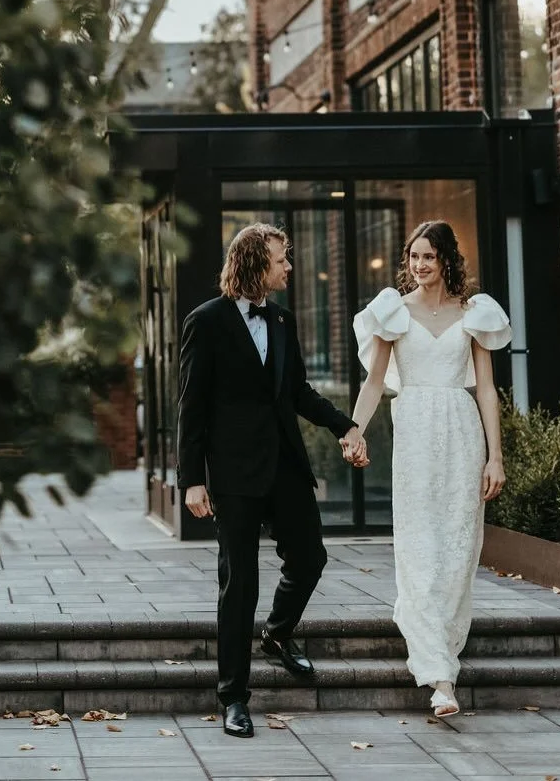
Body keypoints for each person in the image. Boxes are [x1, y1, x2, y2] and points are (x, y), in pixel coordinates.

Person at [177, 223, 367, 739]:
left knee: (310, 557)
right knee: (239, 584)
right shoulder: (207, 321)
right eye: (282, 260)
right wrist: (191, 480)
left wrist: (344, 424)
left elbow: (297, 391)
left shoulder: (282, 319)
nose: (289, 267)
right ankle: (234, 698)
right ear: (256, 263)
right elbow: (191, 408)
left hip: (284, 464)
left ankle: (278, 634)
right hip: (234, 473)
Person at [350, 219, 511, 718]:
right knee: (420, 548)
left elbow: (484, 389)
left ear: (446, 260)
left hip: (462, 435)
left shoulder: (474, 313)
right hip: (416, 437)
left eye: (429, 256)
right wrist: (353, 429)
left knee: (459, 550)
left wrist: (495, 455)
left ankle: (440, 644)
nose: (420, 265)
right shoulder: (392, 311)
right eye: (413, 256)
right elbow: (375, 382)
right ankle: (441, 677)